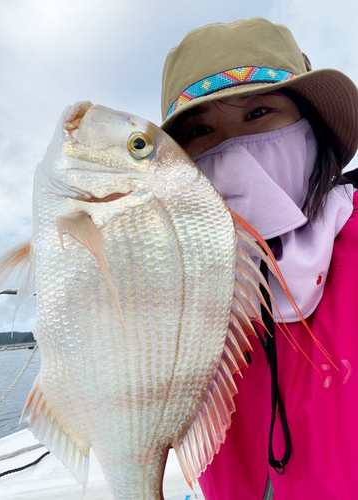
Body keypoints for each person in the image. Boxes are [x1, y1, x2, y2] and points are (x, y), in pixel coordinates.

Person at [160, 17, 358, 500]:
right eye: (201, 131)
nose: (232, 152)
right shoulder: (173, 293)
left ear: (312, 127)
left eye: (258, 114)